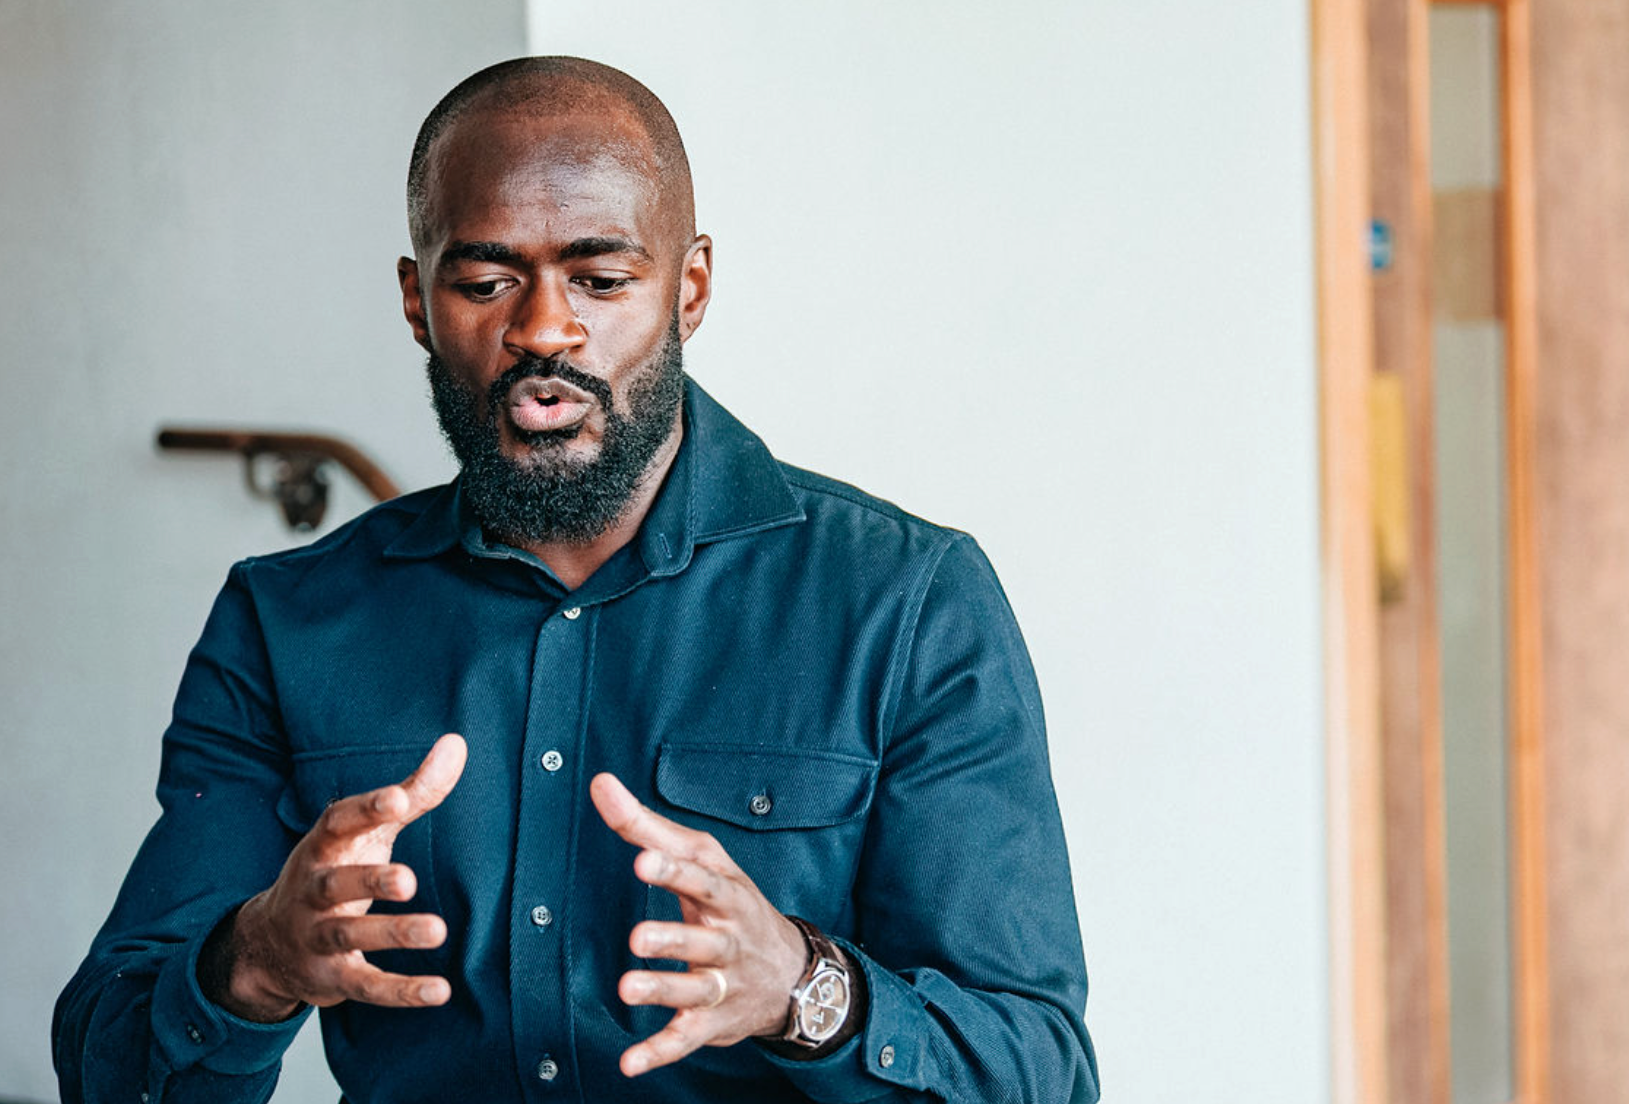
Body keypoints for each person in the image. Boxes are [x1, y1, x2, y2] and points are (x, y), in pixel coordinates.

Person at [54, 56, 1099, 1103]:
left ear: (688, 289)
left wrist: (801, 989)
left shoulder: (908, 604)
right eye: (486, 281)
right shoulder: (286, 623)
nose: (545, 331)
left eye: (601, 280)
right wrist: (255, 964)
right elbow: (108, 1066)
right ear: (419, 302)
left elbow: (1037, 1071)